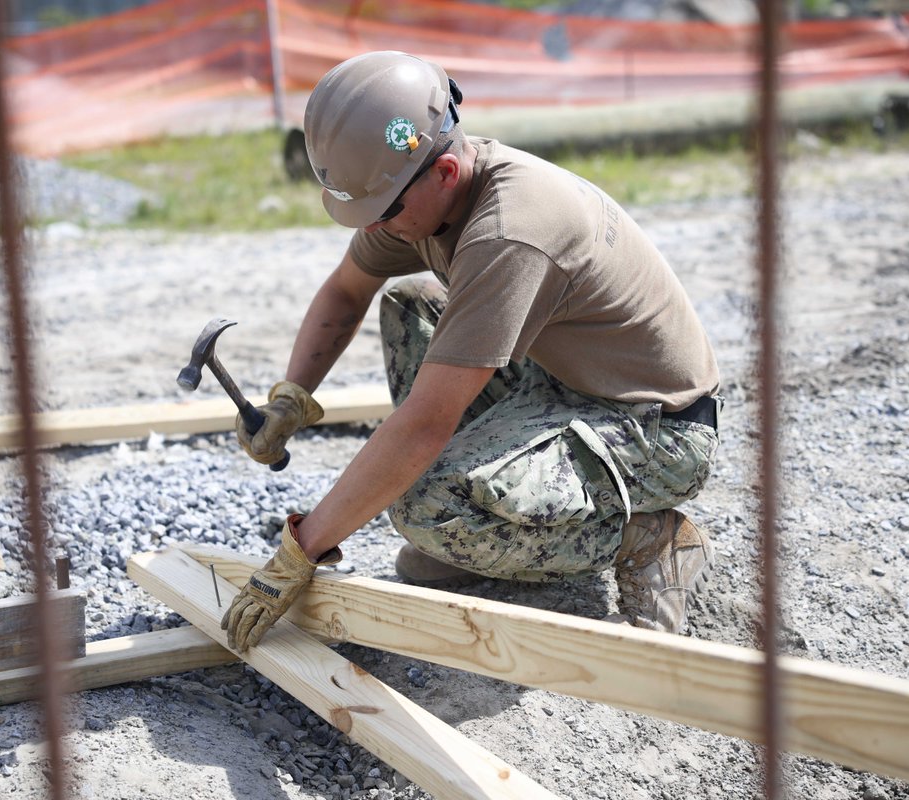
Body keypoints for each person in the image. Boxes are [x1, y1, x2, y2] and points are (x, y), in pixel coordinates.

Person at [221, 50, 722, 653]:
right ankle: (490, 528)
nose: (374, 229)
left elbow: (424, 425)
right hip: (562, 380)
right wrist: (293, 398)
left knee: (424, 507)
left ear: (446, 174)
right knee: (411, 302)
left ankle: (646, 536)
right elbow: (346, 289)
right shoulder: (414, 196)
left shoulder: (508, 230)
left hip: (653, 429)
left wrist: (299, 553)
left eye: (382, 212)